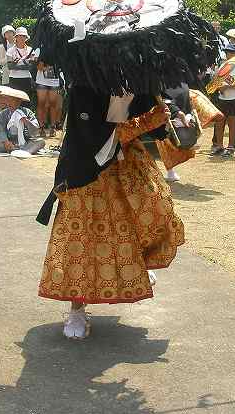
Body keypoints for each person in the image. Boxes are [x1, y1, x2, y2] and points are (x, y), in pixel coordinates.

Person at [37, 89, 184, 339]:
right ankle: (77, 309)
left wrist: (174, 116)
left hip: (127, 162)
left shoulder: (135, 77)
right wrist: (147, 121)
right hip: (86, 169)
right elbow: (92, 134)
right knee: (82, 239)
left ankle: (139, 262)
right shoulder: (86, 82)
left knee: (148, 214)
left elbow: (151, 112)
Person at [207, 43, 235, 156]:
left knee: (232, 123)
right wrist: (218, 87)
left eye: (231, 53)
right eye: (227, 52)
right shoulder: (222, 67)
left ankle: (230, 147)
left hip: (234, 99)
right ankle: (219, 146)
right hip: (222, 99)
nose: (228, 55)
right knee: (219, 123)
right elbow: (216, 82)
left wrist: (228, 86)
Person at [0, 88, 45, 157]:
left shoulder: (27, 112)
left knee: (41, 142)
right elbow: (0, 131)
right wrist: (6, 142)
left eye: (12, 100)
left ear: (19, 101)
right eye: (8, 100)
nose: (9, 103)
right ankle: (21, 150)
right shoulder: (2, 114)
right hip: (9, 141)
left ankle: (23, 152)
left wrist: (25, 121)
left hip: (26, 141)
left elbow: (35, 131)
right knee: (0, 146)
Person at [5, 27, 38, 94]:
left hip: (27, 78)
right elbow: (9, 66)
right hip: (13, 78)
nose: (22, 38)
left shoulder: (30, 50)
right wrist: (24, 64)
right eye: (19, 36)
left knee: (26, 101)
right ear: (16, 37)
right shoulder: (10, 50)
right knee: (14, 101)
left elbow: (31, 67)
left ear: (26, 38)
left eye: (24, 36)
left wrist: (16, 65)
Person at [35, 57, 62, 137]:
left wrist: (56, 68)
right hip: (41, 81)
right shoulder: (40, 48)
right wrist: (46, 67)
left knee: (53, 104)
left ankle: (53, 127)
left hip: (54, 81)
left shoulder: (58, 50)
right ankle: (41, 127)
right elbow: (38, 67)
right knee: (41, 103)